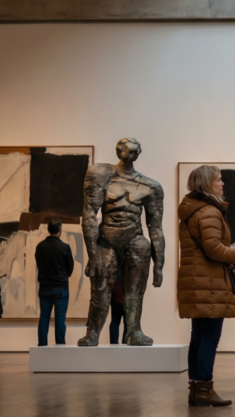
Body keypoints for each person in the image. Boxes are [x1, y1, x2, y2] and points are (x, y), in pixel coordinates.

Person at [78, 137, 164, 347]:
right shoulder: (101, 175)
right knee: (100, 289)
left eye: (134, 151)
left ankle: (134, 331)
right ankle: (93, 332)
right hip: (107, 238)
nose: (130, 155)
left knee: (135, 290)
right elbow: (88, 215)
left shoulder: (150, 186)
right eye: (127, 151)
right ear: (119, 152)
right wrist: (93, 255)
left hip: (135, 238)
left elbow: (155, 227)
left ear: (139, 153)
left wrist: (159, 265)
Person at [177, 164, 235, 407]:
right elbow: (214, 249)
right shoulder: (209, 211)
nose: (222, 183)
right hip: (209, 282)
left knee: (199, 336)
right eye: (218, 179)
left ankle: (196, 390)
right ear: (207, 184)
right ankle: (204, 389)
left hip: (197, 281)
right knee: (209, 338)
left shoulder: (192, 210)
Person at [35, 218, 74, 346]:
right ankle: (60, 347)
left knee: (44, 318)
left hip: (44, 288)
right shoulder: (64, 247)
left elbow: (39, 265)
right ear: (60, 230)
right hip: (60, 288)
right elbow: (70, 269)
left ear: (48, 230)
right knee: (60, 319)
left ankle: (42, 346)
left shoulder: (40, 247)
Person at [109, 269, 126, 344]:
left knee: (115, 322)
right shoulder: (128, 270)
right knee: (128, 324)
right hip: (128, 302)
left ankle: (114, 344)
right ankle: (125, 345)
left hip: (115, 300)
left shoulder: (115, 270)